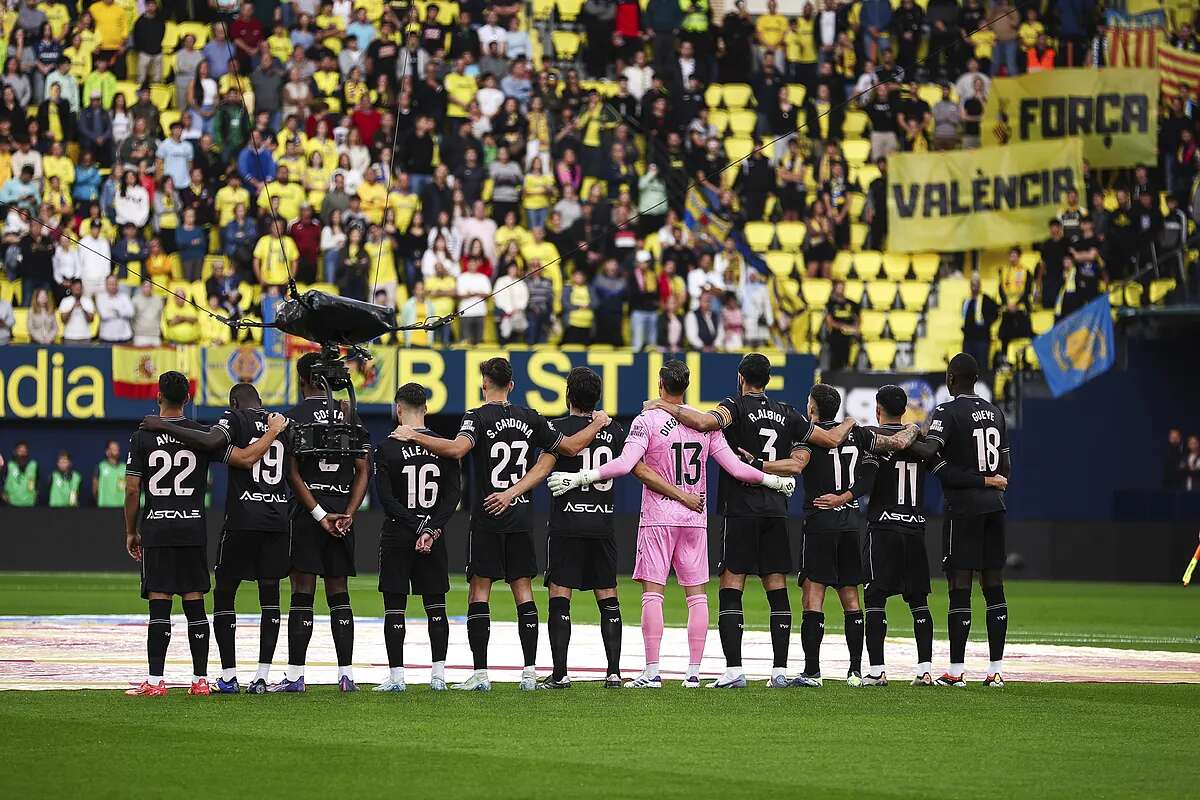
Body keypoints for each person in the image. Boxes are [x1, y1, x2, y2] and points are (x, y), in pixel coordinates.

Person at [552, 361, 796, 688]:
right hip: (695, 517)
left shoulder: (647, 420)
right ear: (686, 386)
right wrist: (774, 481)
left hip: (658, 518)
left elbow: (626, 464)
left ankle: (652, 671)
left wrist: (580, 477)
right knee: (697, 596)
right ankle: (693, 673)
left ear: (660, 384)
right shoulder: (705, 423)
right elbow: (737, 469)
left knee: (653, 594)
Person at [389, 357, 613, 692]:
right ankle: (528, 673)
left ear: (484, 384)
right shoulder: (529, 416)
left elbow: (456, 450)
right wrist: (599, 423)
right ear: (511, 385)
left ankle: (481, 674)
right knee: (523, 591)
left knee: (480, 591)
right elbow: (570, 446)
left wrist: (414, 436)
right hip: (521, 517)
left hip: (487, 517)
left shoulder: (476, 417)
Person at [482, 367, 697, 689]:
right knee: (608, 596)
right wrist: (681, 493)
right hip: (602, 523)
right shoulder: (614, 431)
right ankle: (613, 673)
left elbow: (542, 468)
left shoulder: (557, 430)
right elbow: (638, 469)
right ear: (597, 397)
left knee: (559, 595)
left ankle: (560, 674)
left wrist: (512, 493)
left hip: (567, 523)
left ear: (568, 394)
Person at [651, 353, 856, 687]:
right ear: (768, 380)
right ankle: (778, 671)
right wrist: (851, 422)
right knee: (776, 587)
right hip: (775, 509)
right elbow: (831, 440)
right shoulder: (787, 412)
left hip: (741, 507)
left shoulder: (734, 406)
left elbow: (705, 423)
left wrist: (664, 405)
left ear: (741, 377)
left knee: (733, 585)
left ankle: (734, 671)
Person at [822, 385, 1005, 687]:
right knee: (919, 601)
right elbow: (942, 469)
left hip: (883, 526)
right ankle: (924, 670)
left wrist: (845, 495)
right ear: (905, 411)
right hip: (915, 527)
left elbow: (866, 481)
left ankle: (878, 670)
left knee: (876, 599)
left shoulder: (874, 440)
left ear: (877, 410)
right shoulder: (921, 443)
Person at [123, 371, 286, 697]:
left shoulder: (142, 436)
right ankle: (200, 681)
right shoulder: (202, 433)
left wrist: (131, 531)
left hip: (158, 524)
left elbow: (131, 489)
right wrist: (271, 433)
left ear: (158, 397)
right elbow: (242, 458)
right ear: (187, 399)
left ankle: (155, 682)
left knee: (160, 602)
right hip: (193, 526)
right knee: (194, 601)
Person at [785, 384, 906, 687]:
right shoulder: (861, 434)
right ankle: (854, 670)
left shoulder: (808, 436)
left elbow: (797, 465)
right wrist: (915, 427)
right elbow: (893, 447)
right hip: (852, 523)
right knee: (851, 596)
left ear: (813, 409)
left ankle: (812, 671)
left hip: (820, 522)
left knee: (813, 593)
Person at [271, 353, 372, 693]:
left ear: (303, 381)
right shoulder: (350, 415)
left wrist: (317, 513)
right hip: (342, 511)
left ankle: (297, 676)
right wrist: (349, 513)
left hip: (308, 513)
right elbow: (363, 469)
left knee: (303, 591)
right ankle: (346, 675)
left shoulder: (293, 418)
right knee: (339, 593)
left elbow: (291, 472)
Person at [923, 353, 1012, 687]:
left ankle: (957, 671)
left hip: (964, 509)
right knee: (994, 586)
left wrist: (913, 440)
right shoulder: (995, 412)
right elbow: (1005, 468)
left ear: (950, 378)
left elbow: (931, 452)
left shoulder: (947, 411)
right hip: (995, 507)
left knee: (959, 586)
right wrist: (990, 481)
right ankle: (995, 671)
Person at [372, 383, 462, 692]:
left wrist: (414, 525)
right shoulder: (445, 445)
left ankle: (397, 677)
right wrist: (430, 528)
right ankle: (438, 676)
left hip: (398, 534)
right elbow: (453, 496)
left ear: (398, 409)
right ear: (425, 408)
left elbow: (386, 499)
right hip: (432, 537)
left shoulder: (385, 447)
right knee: (436, 605)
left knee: (394, 607)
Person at [962, 273, 998, 371]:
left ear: (979, 285)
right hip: (968, 339)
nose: (974, 287)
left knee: (982, 366)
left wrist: (986, 324)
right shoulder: (966, 300)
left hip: (982, 339)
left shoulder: (986, 299)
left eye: (976, 284)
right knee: (968, 367)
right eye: (972, 284)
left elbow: (996, 313)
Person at [824, 279, 859, 371]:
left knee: (847, 361)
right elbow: (829, 321)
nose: (841, 290)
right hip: (836, 336)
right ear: (834, 288)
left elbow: (857, 318)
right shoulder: (830, 304)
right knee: (835, 362)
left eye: (842, 287)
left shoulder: (851, 303)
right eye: (839, 287)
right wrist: (843, 327)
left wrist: (854, 328)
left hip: (849, 337)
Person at [95, 275, 134, 343]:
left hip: (124, 336)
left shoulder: (124, 297)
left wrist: (113, 311)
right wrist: (121, 311)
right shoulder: (100, 298)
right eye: (110, 284)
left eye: (114, 284)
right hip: (106, 337)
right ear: (106, 285)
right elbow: (104, 315)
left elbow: (131, 313)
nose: (112, 286)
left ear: (117, 285)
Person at [58, 278, 95, 342]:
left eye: (79, 287)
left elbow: (91, 320)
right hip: (69, 336)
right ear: (71, 288)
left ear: (82, 288)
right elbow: (63, 320)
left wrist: (82, 308)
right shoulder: (65, 301)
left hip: (85, 336)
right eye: (75, 287)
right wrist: (72, 308)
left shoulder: (88, 301)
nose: (77, 289)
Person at [2, 441, 38, 507]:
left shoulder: (33, 465)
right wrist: (2, 493)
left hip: (29, 503)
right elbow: (2, 480)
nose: (22, 453)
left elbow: (38, 482)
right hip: (11, 503)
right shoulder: (9, 465)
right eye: (20, 450)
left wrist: (36, 495)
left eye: (24, 451)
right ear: (15, 452)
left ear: (27, 452)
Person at [93, 439, 126, 509]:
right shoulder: (100, 467)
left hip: (122, 507)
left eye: (117, 449)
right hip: (104, 507)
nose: (116, 451)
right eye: (113, 449)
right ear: (107, 452)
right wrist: (100, 501)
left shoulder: (125, 468)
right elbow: (95, 489)